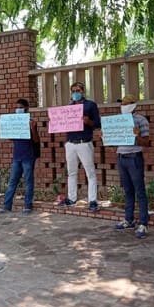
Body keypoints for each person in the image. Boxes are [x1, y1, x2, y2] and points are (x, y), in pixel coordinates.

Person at [109, 95, 151, 238]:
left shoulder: (141, 120)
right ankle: (129, 219)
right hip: (121, 157)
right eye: (122, 103)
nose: (124, 106)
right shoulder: (118, 120)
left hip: (134, 157)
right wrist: (106, 136)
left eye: (126, 103)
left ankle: (144, 223)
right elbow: (115, 140)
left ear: (134, 105)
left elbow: (146, 142)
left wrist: (137, 136)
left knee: (139, 191)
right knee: (127, 190)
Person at [58, 82, 102, 211]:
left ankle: (92, 200)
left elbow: (97, 124)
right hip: (70, 143)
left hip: (84, 142)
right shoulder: (69, 107)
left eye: (78, 90)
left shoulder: (90, 105)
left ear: (83, 91)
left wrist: (89, 122)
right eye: (73, 91)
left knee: (90, 173)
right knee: (71, 172)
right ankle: (71, 198)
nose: (75, 93)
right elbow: (62, 123)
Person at [0, 98, 41, 214]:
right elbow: (13, 137)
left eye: (21, 107)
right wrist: (8, 132)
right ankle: (7, 206)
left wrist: (32, 128)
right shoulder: (14, 121)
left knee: (28, 181)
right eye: (17, 108)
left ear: (26, 108)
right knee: (12, 182)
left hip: (28, 155)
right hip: (17, 156)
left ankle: (27, 205)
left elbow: (36, 140)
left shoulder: (31, 121)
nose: (18, 110)